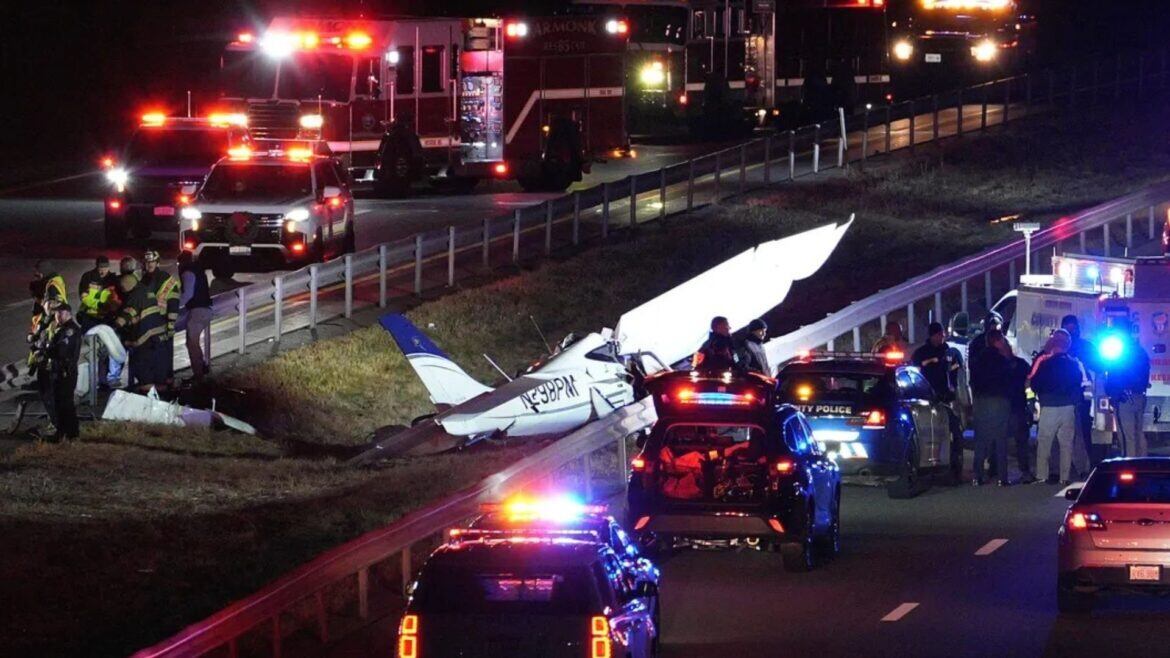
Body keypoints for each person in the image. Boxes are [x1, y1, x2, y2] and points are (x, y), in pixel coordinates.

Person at [1028, 330, 1085, 485]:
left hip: (1049, 407)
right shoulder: (1074, 363)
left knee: (1045, 442)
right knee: (1066, 444)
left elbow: (1034, 383)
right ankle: (1064, 477)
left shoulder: (1044, 363)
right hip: (1068, 408)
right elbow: (1079, 384)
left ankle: (1042, 475)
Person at [913, 322, 965, 478]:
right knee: (930, 434)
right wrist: (931, 362)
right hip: (927, 400)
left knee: (955, 432)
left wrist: (955, 389)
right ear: (932, 335)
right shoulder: (921, 353)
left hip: (947, 399)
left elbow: (958, 372)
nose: (941, 337)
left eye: (943, 334)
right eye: (939, 335)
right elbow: (916, 369)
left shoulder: (950, 352)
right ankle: (930, 464)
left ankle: (954, 466)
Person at [969, 329, 1013, 486]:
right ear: (998, 341)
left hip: (981, 401)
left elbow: (972, 381)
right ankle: (1002, 477)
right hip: (1000, 401)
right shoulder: (1003, 361)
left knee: (981, 439)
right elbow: (1009, 382)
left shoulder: (977, 360)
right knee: (1000, 440)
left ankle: (977, 476)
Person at [1103, 320, 1151, 458]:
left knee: (1126, 436)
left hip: (1125, 398)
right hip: (1139, 396)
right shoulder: (1140, 351)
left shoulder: (1121, 353)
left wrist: (1113, 394)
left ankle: (1129, 467)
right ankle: (1143, 464)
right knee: (1138, 433)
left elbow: (1115, 376)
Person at [115, 273, 169, 392]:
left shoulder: (134, 296)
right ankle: (163, 400)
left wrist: (114, 324)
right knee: (160, 379)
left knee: (145, 379)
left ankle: (148, 400)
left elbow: (122, 320)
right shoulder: (147, 291)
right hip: (160, 339)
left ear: (125, 287)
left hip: (145, 342)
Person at [1061, 315, 1099, 466]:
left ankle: (1084, 465)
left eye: (1073, 327)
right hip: (1067, 396)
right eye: (1069, 327)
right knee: (1072, 433)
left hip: (1080, 396)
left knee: (1082, 432)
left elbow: (1099, 366)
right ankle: (1075, 466)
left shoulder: (1084, 347)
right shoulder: (1058, 346)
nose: (1071, 331)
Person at [141, 250, 181, 385]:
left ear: (157, 263)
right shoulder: (144, 279)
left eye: (151, 262)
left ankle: (167, 384)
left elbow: (173, 302)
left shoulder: (166, 279)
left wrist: (171, 325)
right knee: (151, 357)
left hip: (163, 324)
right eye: (147, 262)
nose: (149, 265)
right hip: (149, 325)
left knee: (165, 355)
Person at [45, 303, 82, 441]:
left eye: (58, 313)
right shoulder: (64, 329)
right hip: (60, 371)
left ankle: (70, 434)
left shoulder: (70, 330)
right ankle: (63, 433)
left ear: (66, 313)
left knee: (65, 404)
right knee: (60, 404)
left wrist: (47, 350)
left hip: (66, 372)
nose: (56, 317)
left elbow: (61, 351)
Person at [178, 251, 213, 381]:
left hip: (198, 311)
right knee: (192, 342)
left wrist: (174, 306)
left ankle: (198, 376)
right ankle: (202, 366)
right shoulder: (198, 270)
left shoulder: (188, 272)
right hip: (204, 310)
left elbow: (187, 295)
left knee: (192, 343)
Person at [1003, 340, 1035, 483]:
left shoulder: (998, 365)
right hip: (1018, 407)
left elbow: (1029, 385)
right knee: (1021, 442)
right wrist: (1030, 404)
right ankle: (1025, 471)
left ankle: (999, 473)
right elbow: (1030, 384)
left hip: (1007, 408)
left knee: (1001, 441)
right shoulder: (1021, 364)